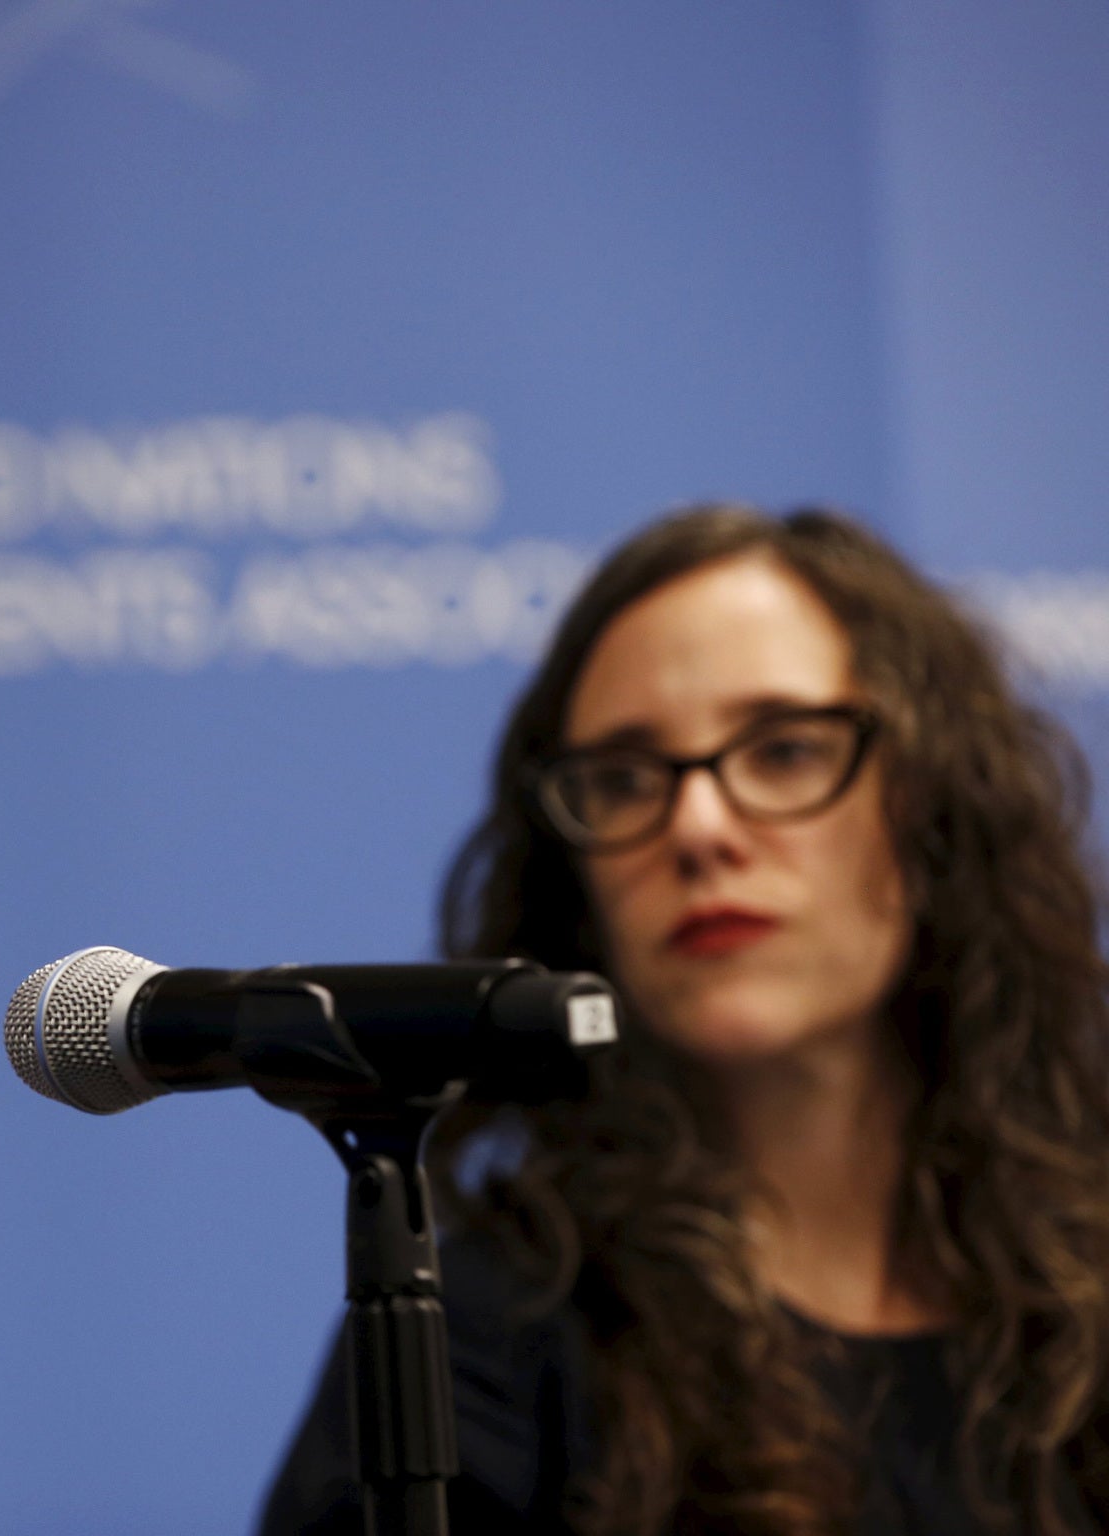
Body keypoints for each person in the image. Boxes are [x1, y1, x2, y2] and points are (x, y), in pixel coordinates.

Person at [260, 506, 1109, 1535]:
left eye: (784, 751)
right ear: (575, 881)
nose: (697, 827)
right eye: (621, 779)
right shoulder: (481, 1331)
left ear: (933, 806)